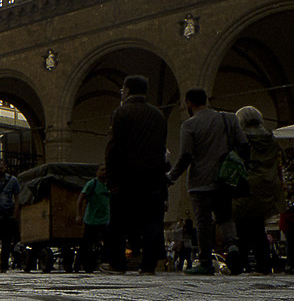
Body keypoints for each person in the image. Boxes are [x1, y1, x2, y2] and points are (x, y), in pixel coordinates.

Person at [168, 88, 244, 274]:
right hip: (224, 180)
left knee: (203, 222)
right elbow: (243, 144)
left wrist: (172, 176)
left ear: (188, 103)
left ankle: (205, 262)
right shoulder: (229, 118)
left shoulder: (189, 125)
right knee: (225, 217)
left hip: (200, 182)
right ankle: (232, 247)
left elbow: (186, 155)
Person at [103, 76, 169, 275]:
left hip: (126, 176)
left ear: (128, 90)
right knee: (152, 222)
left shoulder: (121, 112)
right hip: (153, 177)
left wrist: (112, 178)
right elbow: (161, 148)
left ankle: (117, 264)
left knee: (118, 222)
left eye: (123, 89)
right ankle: (148, 266)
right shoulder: (158, 115)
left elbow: (113, 148)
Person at [229, 106, 281, 273]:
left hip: (245, 185)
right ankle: (263, 264)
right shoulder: (271, 139)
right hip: (266, 186)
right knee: (258, 226)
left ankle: (239, 265)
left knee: (242, 227)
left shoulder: (240, 139)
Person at [76, 166, 112, 273]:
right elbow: (81, 198)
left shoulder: (109, 185)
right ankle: (78, 265)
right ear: (97, 172)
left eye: (106, 170)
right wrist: (79, 214)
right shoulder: (92, 184)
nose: (104, 172)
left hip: (105, 219)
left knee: (108, 242)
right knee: (86, 244)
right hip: (92, 219)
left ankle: (105, 263)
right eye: (102, 170)